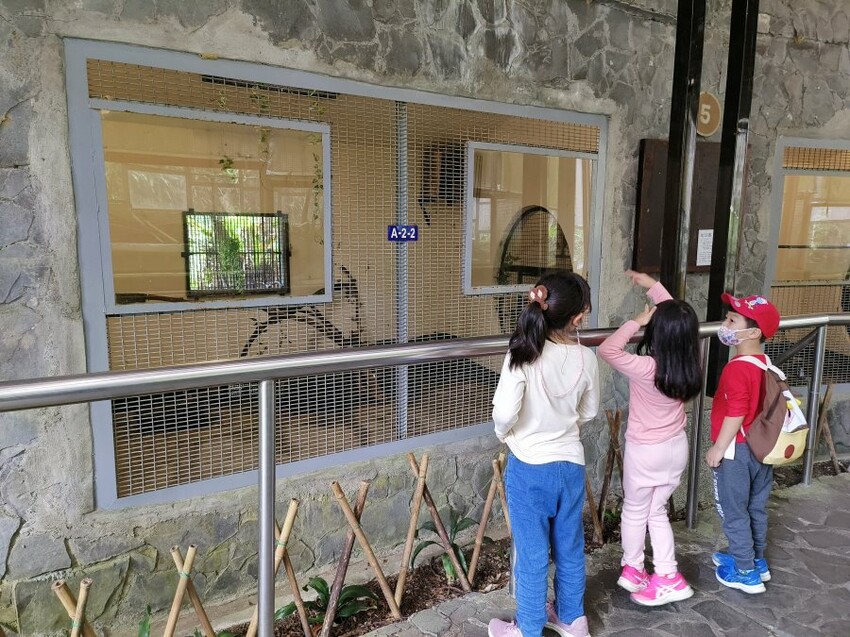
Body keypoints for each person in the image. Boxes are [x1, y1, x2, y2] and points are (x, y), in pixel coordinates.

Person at [488, 272, 600, 637]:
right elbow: (589, 412)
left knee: (533, 553)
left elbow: (504, 412)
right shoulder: (587, 358)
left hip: (529, 467)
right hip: (570, 465)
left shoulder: (522, 352)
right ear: (578, 317)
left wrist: (505, 434)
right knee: (569, 546)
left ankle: (530, 627)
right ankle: (572, 618)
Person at [598, 270, 702, 606]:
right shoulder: (689, 361)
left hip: (646, 452)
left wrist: (636, 322)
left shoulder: (646, 368)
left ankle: (634, 568)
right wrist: (653, 286)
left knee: (634, 510)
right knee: (656, 511)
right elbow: (677, 318)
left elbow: (608, 350)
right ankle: (667, 573)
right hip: (676, 448)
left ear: (657, 332)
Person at [705, 292, 781, 594]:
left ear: (753, 332)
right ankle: (756, 560)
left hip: (736, 451)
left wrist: (718, 448)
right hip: (761, 449)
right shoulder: (764, 363)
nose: (725, 324)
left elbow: (736, 412)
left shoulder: (736, 368)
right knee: (756, 508)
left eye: (732, 319)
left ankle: (744, 570)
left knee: (734, 510)